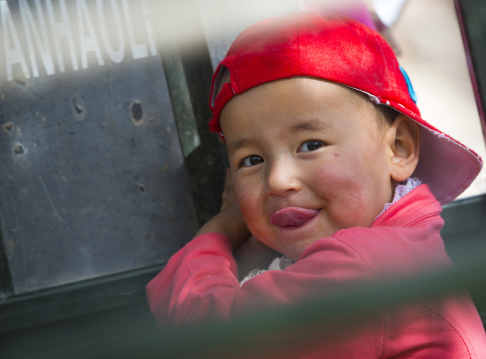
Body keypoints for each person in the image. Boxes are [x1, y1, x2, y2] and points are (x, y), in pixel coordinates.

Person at [147, 11, 486, 358]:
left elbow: (207, 339)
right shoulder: (400, 246)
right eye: (252, 160)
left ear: (398, 148)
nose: (278, 181)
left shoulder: (363, 268)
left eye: (310, 145)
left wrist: (222, 227)